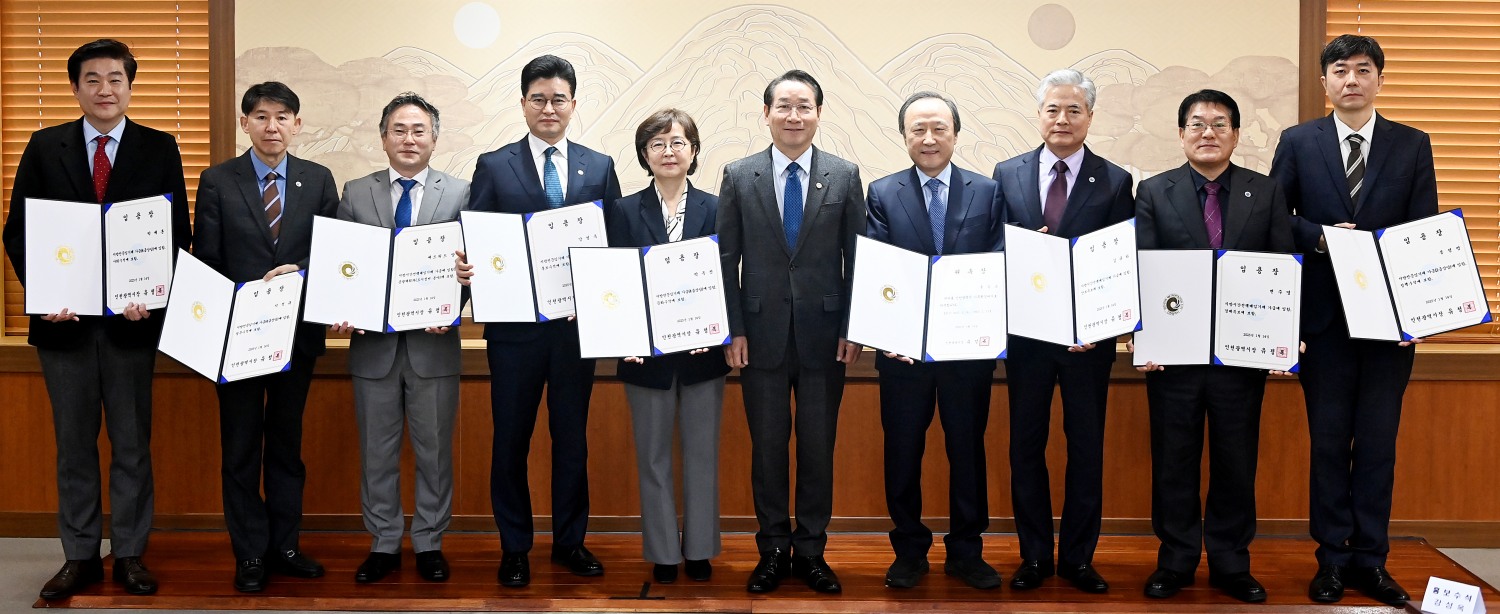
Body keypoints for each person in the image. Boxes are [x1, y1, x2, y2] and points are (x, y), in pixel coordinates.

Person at [1, 38, 190, 600]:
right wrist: (46, 292)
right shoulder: (43, 146)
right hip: (64, 327)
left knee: (132, 444)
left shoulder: (160, 147)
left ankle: (129, 553)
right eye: (92, 79)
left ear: (130, 86)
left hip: (132, 325)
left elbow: (176, 233)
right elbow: (19, 233)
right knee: (74, 444)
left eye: (115, 79)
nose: (105, 89)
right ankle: (79, 555)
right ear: (75, 87)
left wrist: (153, 294)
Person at [1270, 34, 1437, 607]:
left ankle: (1372, 560)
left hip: (1390, 327)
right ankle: (1331, 561)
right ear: (1324, 83)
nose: (1351, 80)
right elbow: (1276, 220)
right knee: (1327, 443)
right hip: (1322, 323)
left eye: (1362, 70)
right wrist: (1319, 237)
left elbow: (1424, 233)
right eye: (1339, 70)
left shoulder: (1413, 144)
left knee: (1378, 446)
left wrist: (1416, 308)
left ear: (1379, 79)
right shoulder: (1298, 141)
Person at [456, 54, 622, 588]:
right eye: (538, 98)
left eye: (558, 98)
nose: (548, 107)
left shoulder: (598, 166)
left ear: (573, 104)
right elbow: (477, 237)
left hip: (576, 331)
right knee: (511, 440)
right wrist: (467, 266)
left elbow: (614, 248)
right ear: (523, 103)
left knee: (571, 439)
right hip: (514, 332)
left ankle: (570, 542)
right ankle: (515, 547)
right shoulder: (494, 163)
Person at [1133, 89, 1294, 603]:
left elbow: (1281, 268)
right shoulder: (1154, 191)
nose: (1208, 133)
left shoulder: (1265, 192)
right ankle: (1176, 559)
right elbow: (1143, 272)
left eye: (1220, 124)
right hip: (1173, 359)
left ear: (1237, 135)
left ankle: (1230, 562)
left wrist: (1282, 341)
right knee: (1174, 459)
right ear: (1181, 134)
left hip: (1240, 358)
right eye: (1197, 124)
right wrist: (1145, 339)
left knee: (1235, 460)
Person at [718, 69, 866, 594]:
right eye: (784, 106)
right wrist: (733, 330)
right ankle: (772, 550)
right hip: (759, 336)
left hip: (827, 337)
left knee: (818, 446)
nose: (794, 116)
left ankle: (812, 551)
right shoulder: (740, 175)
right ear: (766, 113)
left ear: (819, 114)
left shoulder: (845, 176)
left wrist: (853, 326)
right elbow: (725, 259)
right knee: (768, 447)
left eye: (804, 106)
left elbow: (859, 260)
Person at [990, 68, 1133, 594]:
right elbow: (992, 251)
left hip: (1086, 343)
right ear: (1039, 114)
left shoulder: (1116, 180)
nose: (1062, 119)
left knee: (1085, 448)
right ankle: (1032, 556)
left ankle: (1077, 557)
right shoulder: (1006, 173)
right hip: (1026, 338)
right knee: (1025, 447)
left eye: (1074, 110)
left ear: (1090, 117)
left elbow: (1121, 262)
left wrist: (1104, 327)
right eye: (1053, 109)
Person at [193, 81, 339, 593]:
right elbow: (206, 262)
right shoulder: (217, 180)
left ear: (297, 124)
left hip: (296, 335)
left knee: (285, 444)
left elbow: (331, 254)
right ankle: (249, 553)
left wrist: (294, 272)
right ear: (244, 123)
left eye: (282, 117)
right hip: (234, 338)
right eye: (260, 116)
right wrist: (247, 291)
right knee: (239, 448)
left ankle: (286, 545)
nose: (271, 126)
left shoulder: (319, 180)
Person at [865, 92, 1004, 590]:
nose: (928, 139)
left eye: (938, 129)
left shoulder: (987, 191)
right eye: (917, 130)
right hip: (903, 355)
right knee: (902, 451)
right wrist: (887, 333)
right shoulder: (882, 192)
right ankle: (909, 549)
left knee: (967, 450)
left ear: (955, 134)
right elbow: (877, 269)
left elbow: (997, 262)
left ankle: (968, 550)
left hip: (967, 352)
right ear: (904, 136)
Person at [331, 92, 469, 584]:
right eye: (398, 130)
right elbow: (341, 264)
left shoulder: (460, 193)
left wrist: (452, 308)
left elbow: (468, 272)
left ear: (434, 137)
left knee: (434, 453)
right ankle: (384, 541)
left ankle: (430, 540)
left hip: (433, 346)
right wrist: (342, 308)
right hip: (373, 347)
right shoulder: (356, 191)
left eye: (418, 131)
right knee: (377, 452)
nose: (408, 139)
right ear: (383, 136)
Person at [605, 108, 730, 585]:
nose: (668, 151)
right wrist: (623, 338)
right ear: (644, 154)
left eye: (678, 142)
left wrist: (714, 328)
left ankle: (699, 549)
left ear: (694, 151)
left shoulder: (717, 207)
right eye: (657, 144)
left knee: (702, 454)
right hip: (645, 352)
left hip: (703, 353)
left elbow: (727, 277)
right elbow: (613, 281)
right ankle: (662, 551)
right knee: (653, 456)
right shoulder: (622, 210)